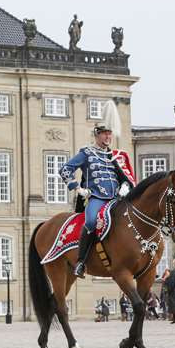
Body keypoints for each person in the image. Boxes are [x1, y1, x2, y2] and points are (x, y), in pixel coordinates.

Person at [59, 101, 135, 278]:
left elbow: (126, 177)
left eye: (110, 134)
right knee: (92, 222)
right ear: (97, 135)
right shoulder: (86, 153)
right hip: (96, 197)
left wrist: (125, 186)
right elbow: (65, 169)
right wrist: (77, 188)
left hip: (117, 199)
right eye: (104, 134)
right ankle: (81, 262)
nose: (108, 137)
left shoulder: (116, 156)